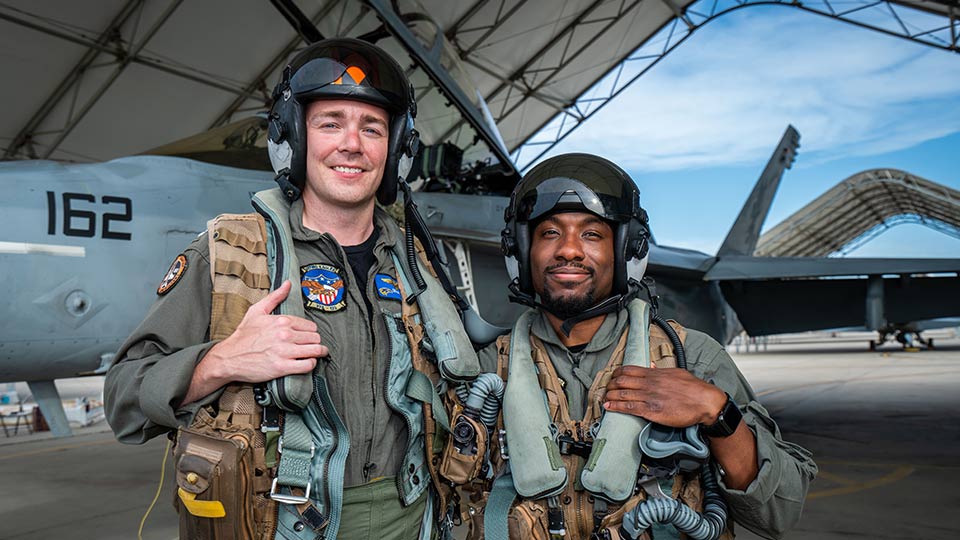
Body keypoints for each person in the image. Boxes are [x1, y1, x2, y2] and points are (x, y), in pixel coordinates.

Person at [105, 38, 480, 540]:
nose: (352, 144)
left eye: (372, 128)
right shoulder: (228, 255)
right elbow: (124, 403)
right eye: (330, 124)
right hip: (280, 524)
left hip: (415, 523)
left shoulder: (420, 267)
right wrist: (219, 362)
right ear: (293, 137)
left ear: (395, 151)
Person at [472, 153, 817, 540]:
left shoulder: (691, 357)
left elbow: (780, 512)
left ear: (627, 250)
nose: (569, 250)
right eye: (550, 233)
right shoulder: (485, 368)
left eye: (591, 234)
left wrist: (717, 413)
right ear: (521, 251)